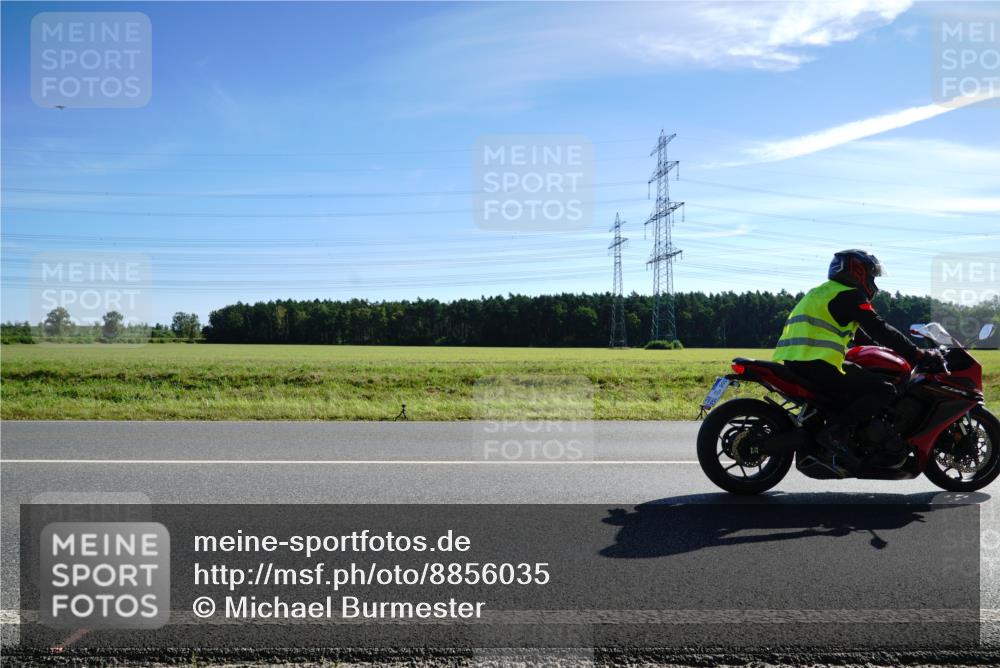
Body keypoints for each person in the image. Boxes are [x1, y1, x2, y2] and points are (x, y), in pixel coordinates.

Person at [772, 249, 925, 473]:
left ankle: (839, 433)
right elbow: (880, 328)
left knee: (854, 388)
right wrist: (916, 354)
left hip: (796, 362)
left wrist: (882, 349)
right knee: (883, 390)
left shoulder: (822, 292)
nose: (873, 281)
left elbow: (862, 334)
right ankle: (835, 432)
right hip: (818, 363)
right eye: (872, 275)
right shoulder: (850, 295)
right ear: (858, 272)